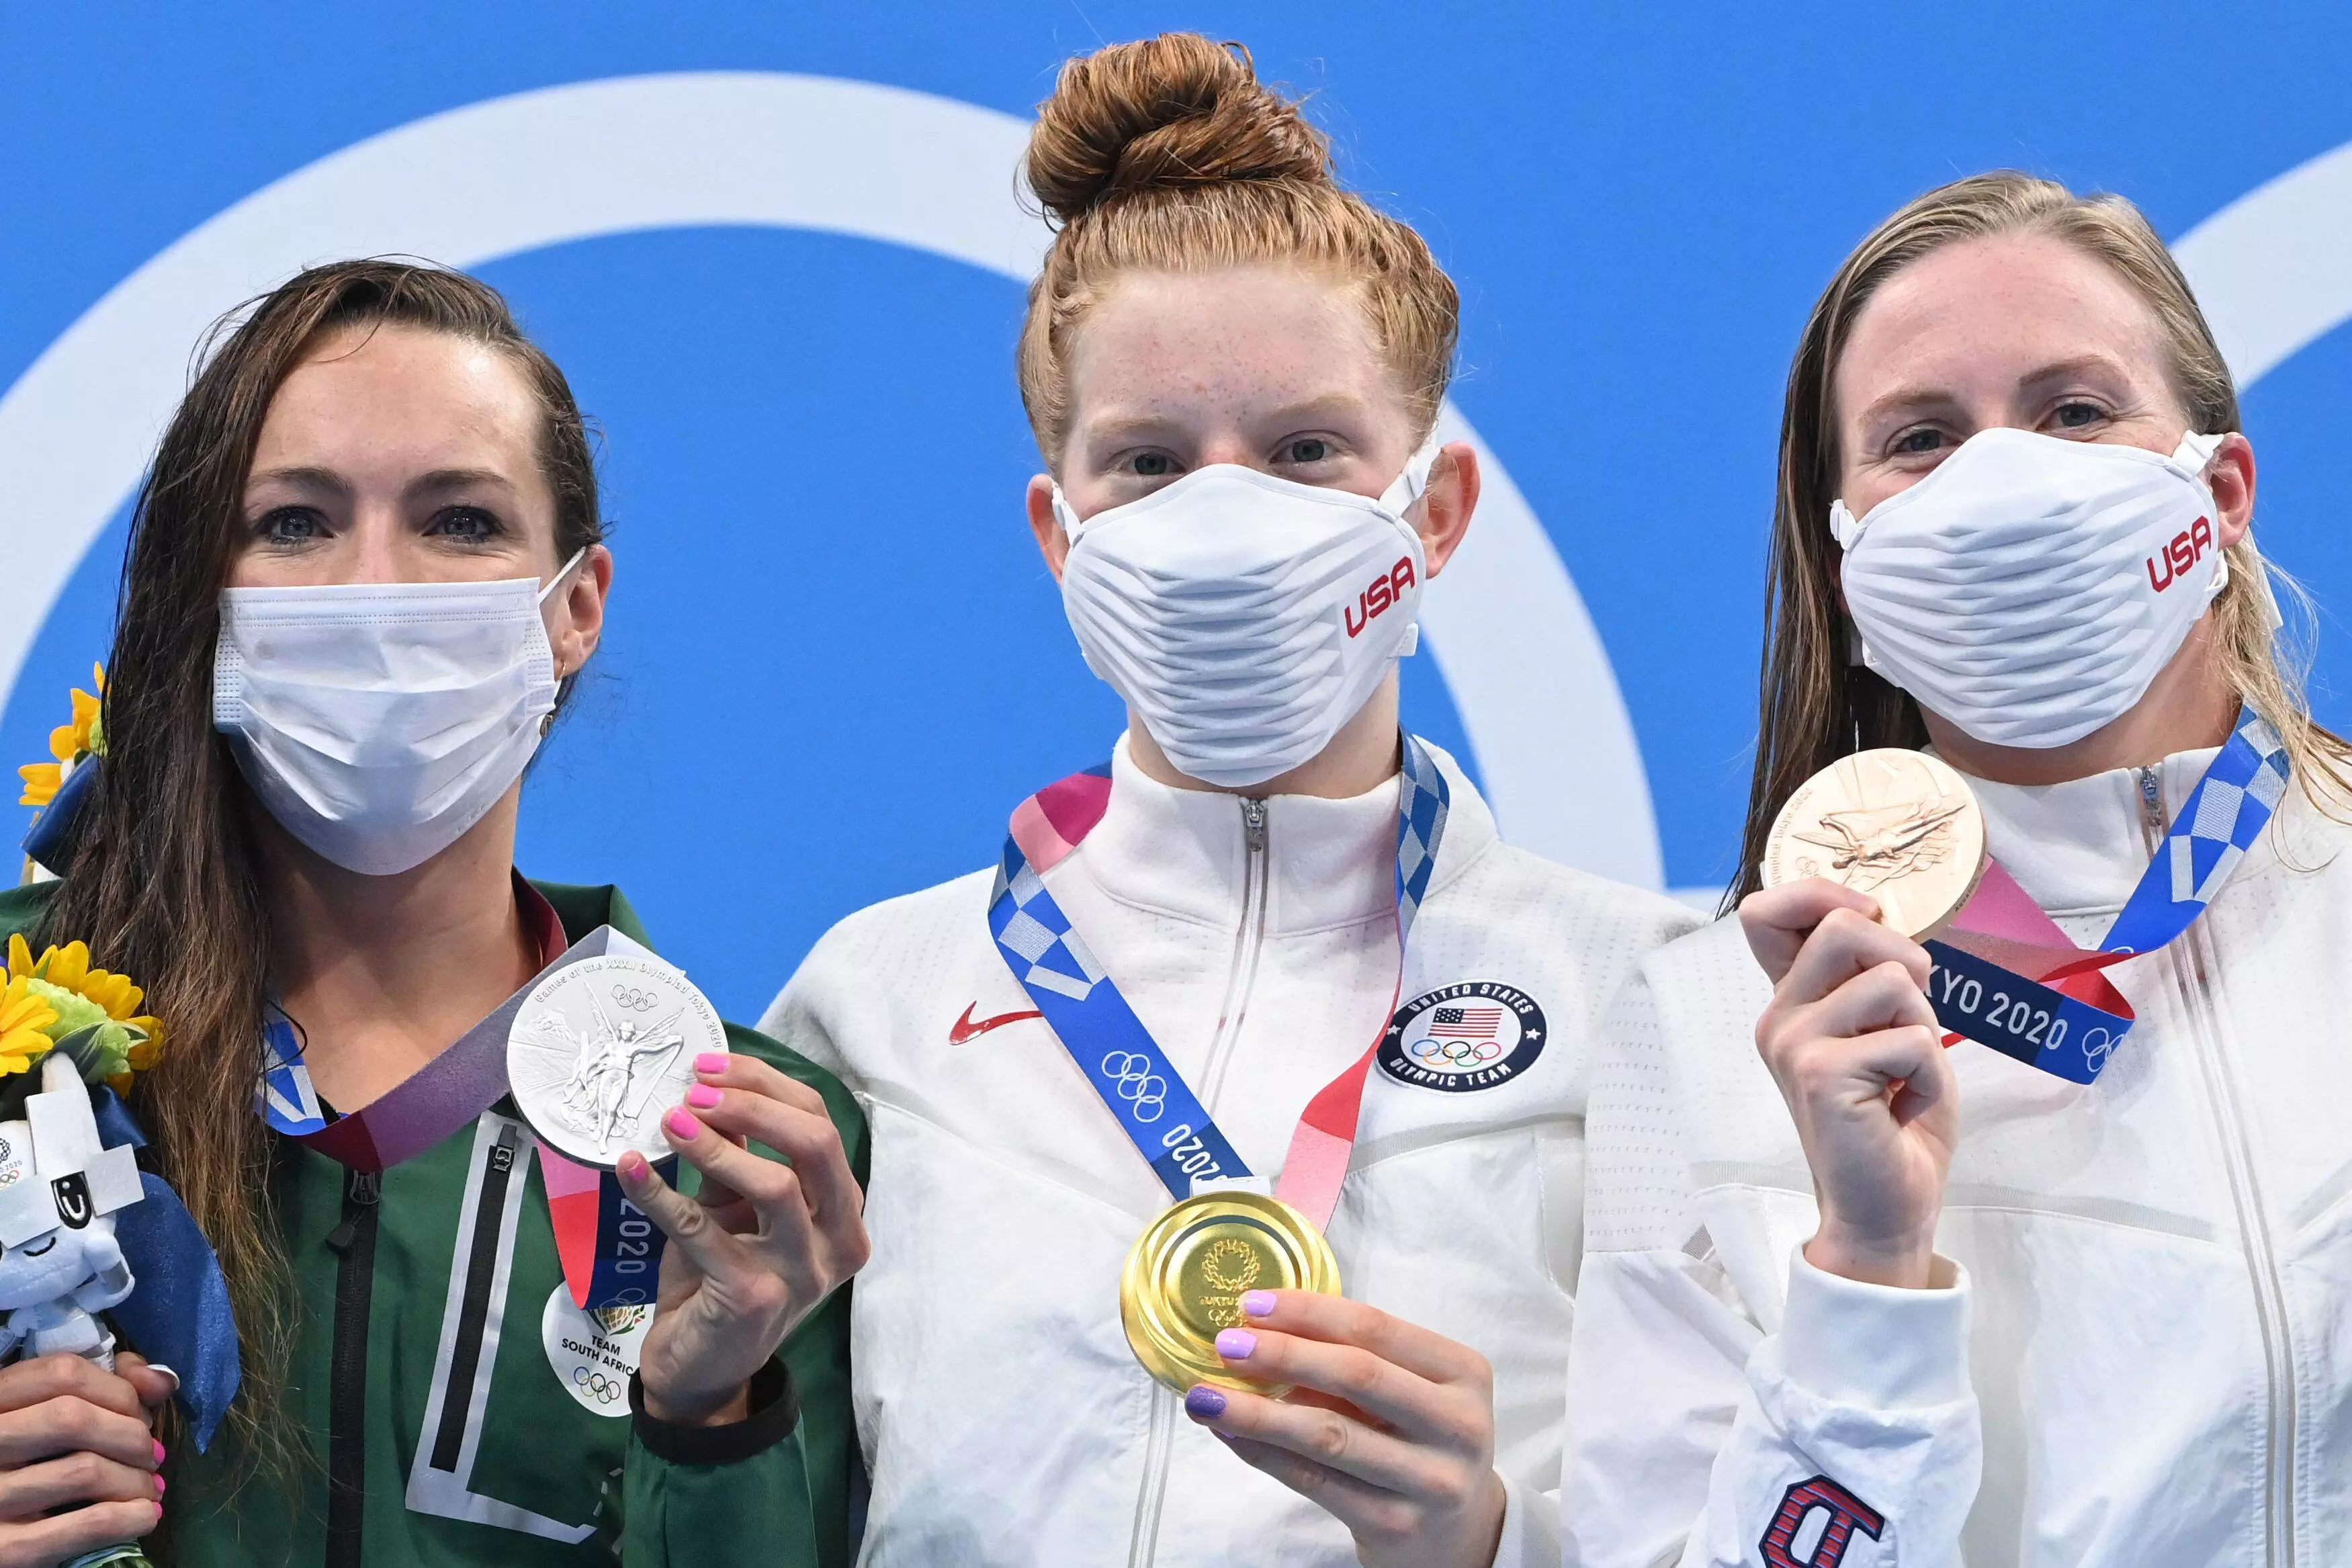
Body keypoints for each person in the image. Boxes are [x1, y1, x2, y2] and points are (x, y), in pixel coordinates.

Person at [760, 32, 1696, 1568]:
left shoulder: (1646, 992)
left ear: (1435, 513)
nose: (1224, 513)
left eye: (1305, 449)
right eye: (1146, 461)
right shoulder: (871, 1002)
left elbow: (1749, 1514)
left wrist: (1488, 1543)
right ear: (1061, 535)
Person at [0, 261, 869, 1567]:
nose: (375, 587)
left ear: (574, 608)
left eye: (459, 522)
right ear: (208, 599)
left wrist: (709, 1417)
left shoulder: (744, 1151)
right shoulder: (17, 1035)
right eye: (294, 522)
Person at [1564, 171, 2352, 1566]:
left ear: (2218, 493)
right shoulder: (1697, 1031)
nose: (2004, 480)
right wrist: (1866, 1281)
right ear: (1847, 565)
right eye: (1921, 438)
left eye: (2074, 410)